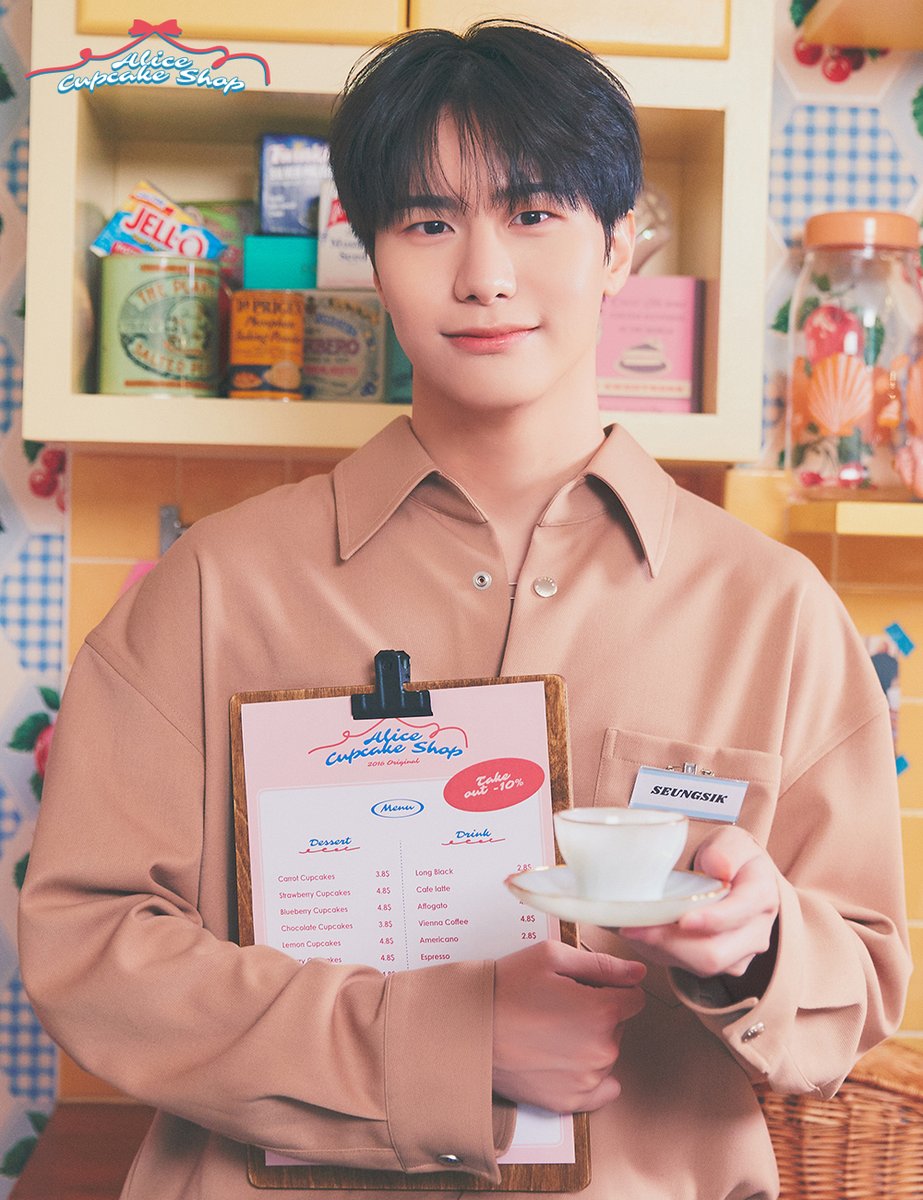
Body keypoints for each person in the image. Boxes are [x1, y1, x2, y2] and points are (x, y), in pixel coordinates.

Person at [19, 21, 910, 1200]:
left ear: (618, 246)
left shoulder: (772, 611)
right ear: (369, 250)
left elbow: (856, 992)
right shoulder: (208, 590)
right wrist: (445, 1042)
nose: (483, 273)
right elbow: (87, 947)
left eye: (533, 212)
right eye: (427, 221)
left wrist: (753, 943)